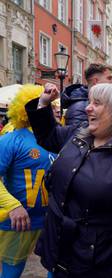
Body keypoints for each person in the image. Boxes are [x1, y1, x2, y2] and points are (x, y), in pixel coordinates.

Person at [25, 83, 112, 277]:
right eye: (89, 102)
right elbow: (49, 135)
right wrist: (43, 103)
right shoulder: (79, 135)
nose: (87, 107)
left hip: (99, 265)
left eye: (97, 103)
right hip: (59, 252)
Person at [0, 85, 56, 278]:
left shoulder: (56, 136)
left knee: (56, 267)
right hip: (19, 222)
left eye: (52, 105)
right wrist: (13, 206)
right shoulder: (11, 140)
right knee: (12, 272)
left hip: (52, 220)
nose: (53, 109)